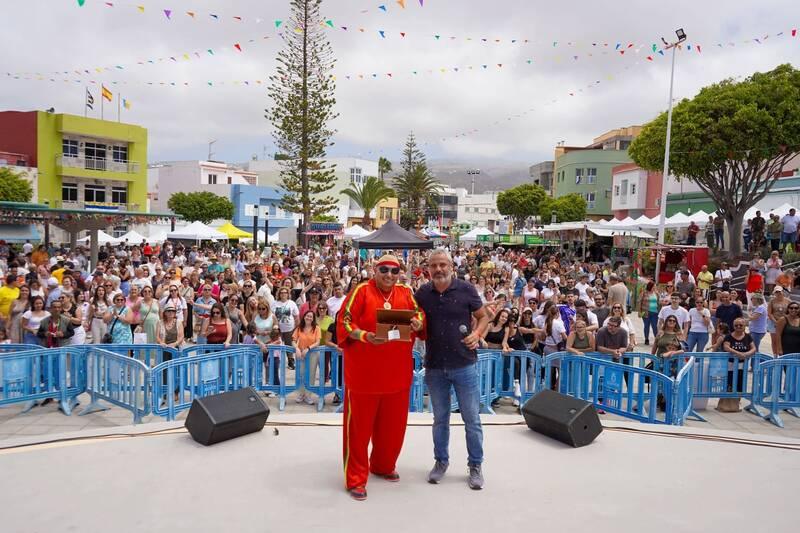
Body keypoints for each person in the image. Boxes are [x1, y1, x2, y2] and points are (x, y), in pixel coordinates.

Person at [336, 254, 424, 501]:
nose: (389, 275)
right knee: (358, 432)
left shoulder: (406, 293)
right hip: (364, 377)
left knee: (392, 430)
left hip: (397, 376)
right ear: (375, 270)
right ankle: (355, 479)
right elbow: (343, 322)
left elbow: (419, 315)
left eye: (394, 271)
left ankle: (383, 466)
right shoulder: (361, 290)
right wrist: (365, 336)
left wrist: (417, 323)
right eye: (384, 270)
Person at [414, 249, 488, 491]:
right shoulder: (423, 293)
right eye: (434, 265)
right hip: (435, 366)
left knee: (472, 419)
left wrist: (477, 334)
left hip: (465, 364)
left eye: (443, 264)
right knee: (440, 420)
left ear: (451, 266)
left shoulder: (466, 289)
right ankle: (440, 462)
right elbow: (413, 319)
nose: (439, 269)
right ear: (428, 269)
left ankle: (475, 466)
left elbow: (483, 317)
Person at [720, 319, 756, 412]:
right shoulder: (729, 336)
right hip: (730, 365)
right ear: (733, 326)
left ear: (744, 326)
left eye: (741, 325)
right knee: (729, 384)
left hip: (742, 365)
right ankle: (726, 404)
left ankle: (737, 403)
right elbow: (726, 347)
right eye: (736, 325)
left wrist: (746, 354)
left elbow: (754, 348)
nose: (739, 327)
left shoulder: (748, 337)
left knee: (740, 384)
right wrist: (738, 353)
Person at [293, 310, 321, 405]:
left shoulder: (316, 328)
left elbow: (317, 342)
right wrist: (296, 348)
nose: (308, 318)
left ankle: (308, 395)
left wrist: (308, 348)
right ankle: (301, 394)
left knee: (311, 374)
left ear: (313, 319)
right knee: (301, 374)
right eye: (307, 316)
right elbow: (293, 340)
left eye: (310, 317)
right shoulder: (299, 328)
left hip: (312, 354)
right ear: (304, 317)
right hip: (301, 354)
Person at [767, 286, 789, 352]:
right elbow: (769, 313)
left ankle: (782, 354)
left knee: (783, 340)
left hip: (784, 323)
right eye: (776, 292)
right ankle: (775, 356)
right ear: (774, 293)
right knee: (774, 340)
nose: (778, 293)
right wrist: (776, 322)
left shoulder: (788, 301)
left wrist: (784, 321)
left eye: (779, 291)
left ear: (782, 292)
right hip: (773, 322)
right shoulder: (772, 301)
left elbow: (790, 312)